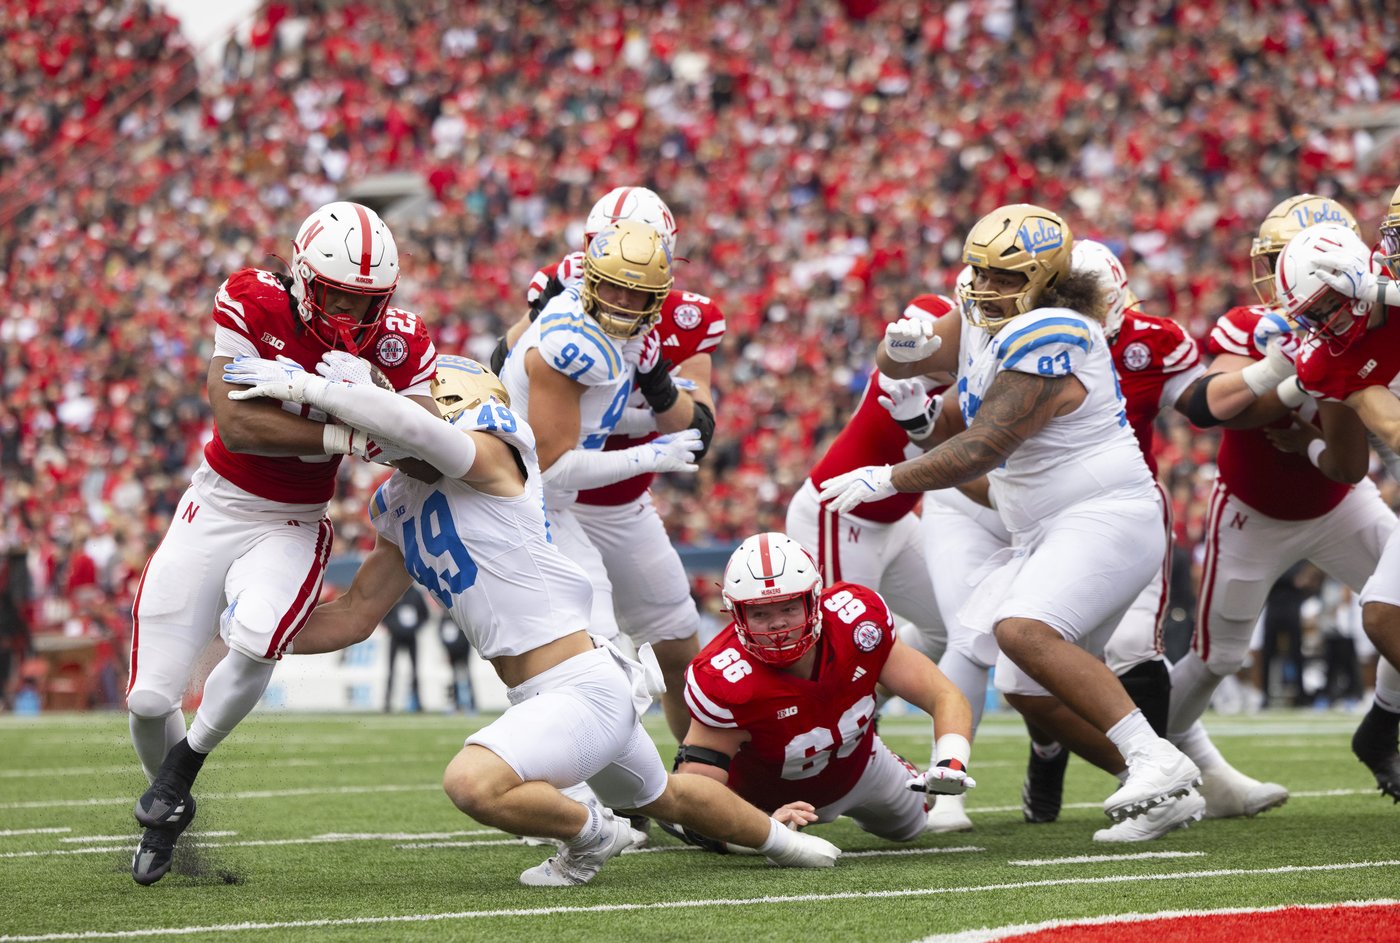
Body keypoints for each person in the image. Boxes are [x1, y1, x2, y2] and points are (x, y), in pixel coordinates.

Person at [224, 354, 842, 883]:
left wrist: (339, 397)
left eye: (419, 397)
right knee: (666, 795)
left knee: (473, 782)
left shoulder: (496, 447)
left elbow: (426, 438)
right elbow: (355, 616)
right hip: (563, 688)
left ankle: (593, 834)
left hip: (577, 687)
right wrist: (256, 635)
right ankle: (788, 846)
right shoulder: (398, 501)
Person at [819, 203, 1203, 835]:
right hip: (1047, 526)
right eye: (979, 271)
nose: (985, 287)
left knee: (1020, 630)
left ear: (1046, 280)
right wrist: (899, 352)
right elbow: (904, 371)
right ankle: (1165, 790)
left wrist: (886, 477)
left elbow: (983, 447)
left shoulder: (1056, 329)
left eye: (1003, 277)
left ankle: (1155, 756)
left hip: (1104, 513)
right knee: (1024, 682)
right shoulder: (975, 318)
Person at [126, 202, 438, 886]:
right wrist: (353, 431)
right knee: (149, 701)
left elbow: (431, 454)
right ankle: (172, 808)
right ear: (302, 277)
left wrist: (383, 404)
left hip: (293, 518)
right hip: (215, 502)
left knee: (259, 631)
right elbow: (237, 426)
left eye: (368, 303)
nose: (353, 317)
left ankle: (179, 775)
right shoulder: (252, 299)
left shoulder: (399, 343)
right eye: (338, 297)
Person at [1016, 239, 1290, 837]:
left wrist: (1271, 372)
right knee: (1025, 675)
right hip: (1035, 512)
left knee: (1136, 643)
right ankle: (1048, 752)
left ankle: (1153, 790)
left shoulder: (1149, 340)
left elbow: (1199, 403)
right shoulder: (1024, 340)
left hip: (1118, 507)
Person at [1164, 204, 1397, 806]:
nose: (1272, 277)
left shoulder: (1374, 307)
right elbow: (1205, 408)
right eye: (1273, 260)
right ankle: (1146, 751)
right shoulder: (1284, 336)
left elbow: (1348, 466)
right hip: (1255, 510)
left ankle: (1383, 728)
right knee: (1217, 657)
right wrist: (1282, 372)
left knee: (1392, 610)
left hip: (1341, 503)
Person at [494, 187, 720, 743]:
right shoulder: (564, 299)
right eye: (604, 252)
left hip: (621, 503)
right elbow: (505, 370)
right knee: (580, 654)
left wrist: (656, 382)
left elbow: (700, 429)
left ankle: (700, 776)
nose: (622, 290)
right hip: (553, 495)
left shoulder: (684, 318)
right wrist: (540, 320)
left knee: (677, 643)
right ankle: (579, 784)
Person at [673, 532, 974, 849]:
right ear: (736, 614)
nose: (778, 625)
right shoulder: (725, 677)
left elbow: (944, 695)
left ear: (814, 599)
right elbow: (699, 793)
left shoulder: (856, 621)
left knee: (911, 827)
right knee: (697, 823)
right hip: (758, 797)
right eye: (760, 613)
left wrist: (952, 760)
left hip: (862, 767)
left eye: (789, 608)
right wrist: (763, 830)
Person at [1267, 220, 1400, 802]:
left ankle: (1378, 729)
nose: (1325, 325)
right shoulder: (1330, 360)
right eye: (1312, 315)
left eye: (1328, 306)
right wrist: (1311, 444)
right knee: (1382, 614)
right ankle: (1379, 728)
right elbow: (1366, 449)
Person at [383, 586, 429, 712]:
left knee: (414, 670)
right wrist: (393, 627)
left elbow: (425, 615)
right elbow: (383, 613)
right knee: (391, 670)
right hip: (395, 636)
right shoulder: (393, 592)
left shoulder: (416, 594)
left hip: (411, 637)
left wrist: (414, 628)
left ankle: (417, 702)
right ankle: (387, 702)